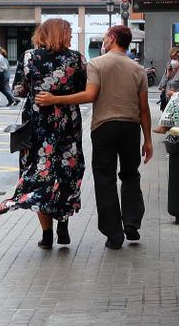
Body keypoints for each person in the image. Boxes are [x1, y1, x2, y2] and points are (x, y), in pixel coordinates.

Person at [37, 25, 152, 250]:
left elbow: (90, 95)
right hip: (130, 128)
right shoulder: (138, 69)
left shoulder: (97, 64)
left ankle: (113, 233)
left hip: (104, 128)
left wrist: (55, 100)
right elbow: (144, 108)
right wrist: (147, 139)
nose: (103, 42)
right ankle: (132, 223)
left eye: (105, 38)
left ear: (111, 39)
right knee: (130, 175)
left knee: (105, 179)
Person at [0, 19, 87, 249]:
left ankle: (47, 235)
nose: (70, 37)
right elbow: (83, 89)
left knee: (40, 174)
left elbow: (18, 90)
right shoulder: (76, 59)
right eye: (68, 33)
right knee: (66, 172)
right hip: (67, 122)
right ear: (60, 34)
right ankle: (63, 226)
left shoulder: (29, 57)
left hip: (38, 122)